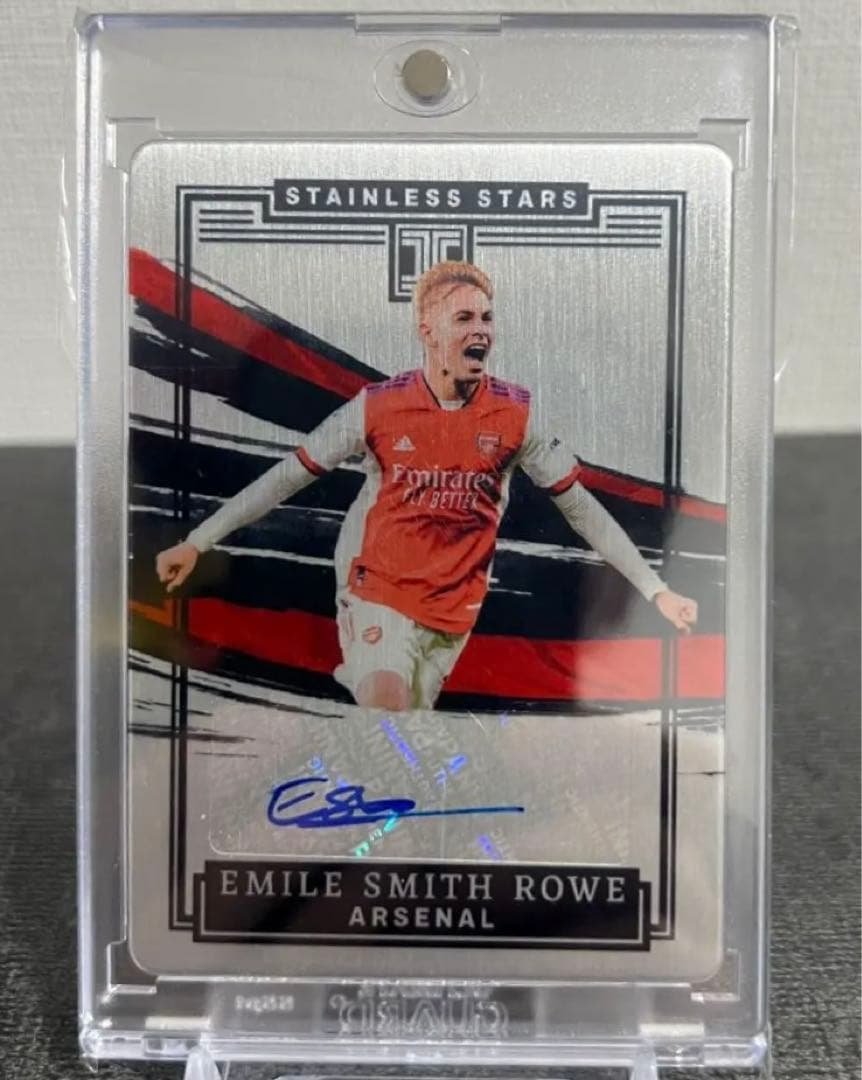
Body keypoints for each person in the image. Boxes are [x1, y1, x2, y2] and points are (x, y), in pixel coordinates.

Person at [156, 261, 697, 710]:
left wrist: (657, 591)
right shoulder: (376, 408)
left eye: (487, 317)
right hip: (377, 589)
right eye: (464, 318)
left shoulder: (515, 416)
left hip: (454, 610)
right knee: (386, 705)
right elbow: (287, 477)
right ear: (428, 331)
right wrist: (197, 541)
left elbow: (581, 511)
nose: (480, 330)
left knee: (407, 736)